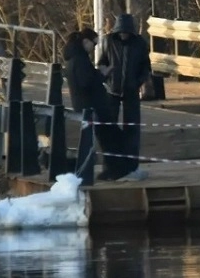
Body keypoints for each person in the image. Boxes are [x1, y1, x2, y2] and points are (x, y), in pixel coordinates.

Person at [63, 28, 132, 180]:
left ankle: (114, 169)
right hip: (93, 105)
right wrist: (102, 74)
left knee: (107, 137)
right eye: (93, 45)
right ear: (85, 41)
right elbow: (86, 82)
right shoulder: (80, 59)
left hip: (86, 105)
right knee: (109, 137)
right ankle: (117, 169)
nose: (93, 48)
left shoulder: (74, 58)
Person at [97, 14, 152, 181]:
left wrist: (137, 82)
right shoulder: (108, 41)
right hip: (112, 90)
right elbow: (102, 62)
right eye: (121, 32)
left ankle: (131, 167)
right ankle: (110, 167)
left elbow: (146, 67)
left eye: (126, 32)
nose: (123, 35)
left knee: (132, 130)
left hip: (131, 91)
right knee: (109, 130)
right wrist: (106, 77)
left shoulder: (139, 43)